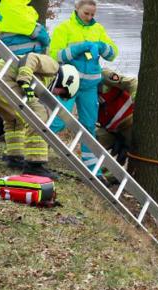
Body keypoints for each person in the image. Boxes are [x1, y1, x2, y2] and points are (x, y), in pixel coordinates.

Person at [0, 50, 80, 178]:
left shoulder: (45, 80)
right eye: (62, 92)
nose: (56, 94)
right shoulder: (53, 67)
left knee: (13, 118)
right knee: (38, 114)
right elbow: (31, 57)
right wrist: (24, 80)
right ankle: (35, 165)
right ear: (66, 81)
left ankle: (14, 156)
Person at [49, 0, 118, 174]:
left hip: (90, 87)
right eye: (86, 13)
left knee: (88, 127)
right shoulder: (64, 28)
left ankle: (93, 169)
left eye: (92, 14)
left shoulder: (98, 29)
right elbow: (54, 55)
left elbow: (113, 54)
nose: (89, 17)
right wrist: (77, 49)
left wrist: (102, 47)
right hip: (68, 85)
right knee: (58, 121)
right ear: (77, 9)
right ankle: (35, 154)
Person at [95, 68, 136, 165]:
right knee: (91, 142)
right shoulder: (81, 91)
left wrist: (136, 105)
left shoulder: (103, 75)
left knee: (136, 149)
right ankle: (103, 172)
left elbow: (132, 83)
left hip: (130, 122)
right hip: (112, 131)